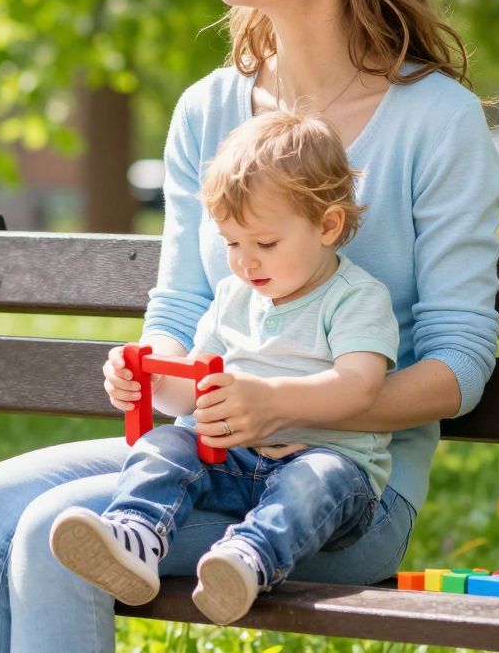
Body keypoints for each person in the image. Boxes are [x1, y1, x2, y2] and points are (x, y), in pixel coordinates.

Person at [0, 0, 499, 653]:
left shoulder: (435, 122)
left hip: (336, 496)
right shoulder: (209, 110)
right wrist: (157, 377)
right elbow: (182, 303)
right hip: (205, 460)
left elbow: (459, 365)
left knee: (58, 534)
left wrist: (287, 406)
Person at [49, 110, 398, 625]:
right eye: (232, 243)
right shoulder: (234, 296)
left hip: (328, 464)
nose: (246, 262)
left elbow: (360, 386)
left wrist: (272, 401)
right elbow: (192, 391)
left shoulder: (355, 298)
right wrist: (149, 382)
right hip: (231, 460)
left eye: (266, 244)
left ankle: (246, 561)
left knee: (311, 481)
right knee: (165, 444)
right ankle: (136, 537)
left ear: (327, 225)